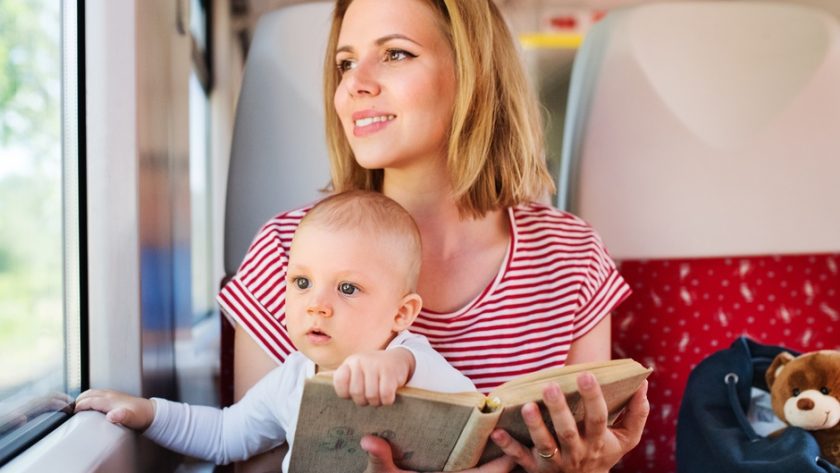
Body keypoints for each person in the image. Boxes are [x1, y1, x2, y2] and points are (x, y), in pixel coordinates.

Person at [223, 0, 650, 472]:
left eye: (396, 54)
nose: (354, 84)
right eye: (345, 63)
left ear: (474, 72)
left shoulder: (572, 255)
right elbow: (252, 461)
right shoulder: (286, 250)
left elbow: (582, 450)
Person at [74, 191, 478, 473]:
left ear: (401, 313)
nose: (316, 304)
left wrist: (397, 365)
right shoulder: (292, 376)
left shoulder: (412, 359)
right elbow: (225, 434)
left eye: (348, 288)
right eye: (302, 283)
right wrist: (149, 413)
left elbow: (478, 411)